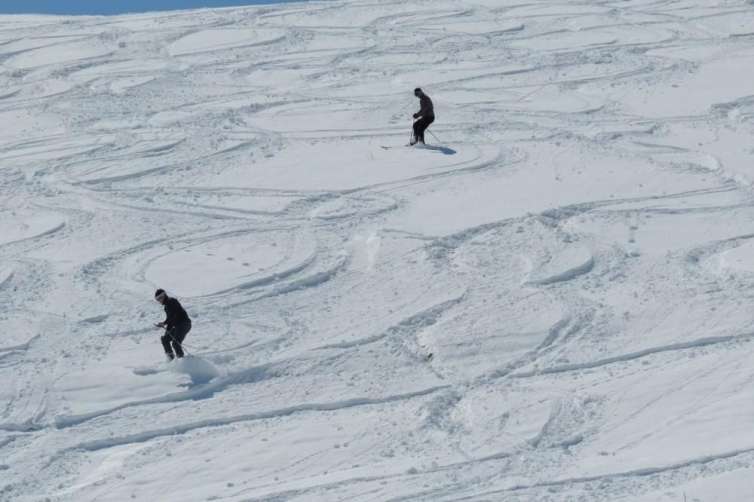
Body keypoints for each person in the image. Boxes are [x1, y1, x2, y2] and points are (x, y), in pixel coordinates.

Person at [154, 288, 191, 360]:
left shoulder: (172, 301)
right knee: (165, 339)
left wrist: (165, 323)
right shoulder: (166, 307)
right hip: (177, 326)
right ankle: (171, 360)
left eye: (159, 298)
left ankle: (182, 361)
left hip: (184, 324)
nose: (159, 301)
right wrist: (165, 326)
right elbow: (170, 320)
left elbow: (174, 315)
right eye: (157, 299)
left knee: (175, 343)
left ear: (163, 295)